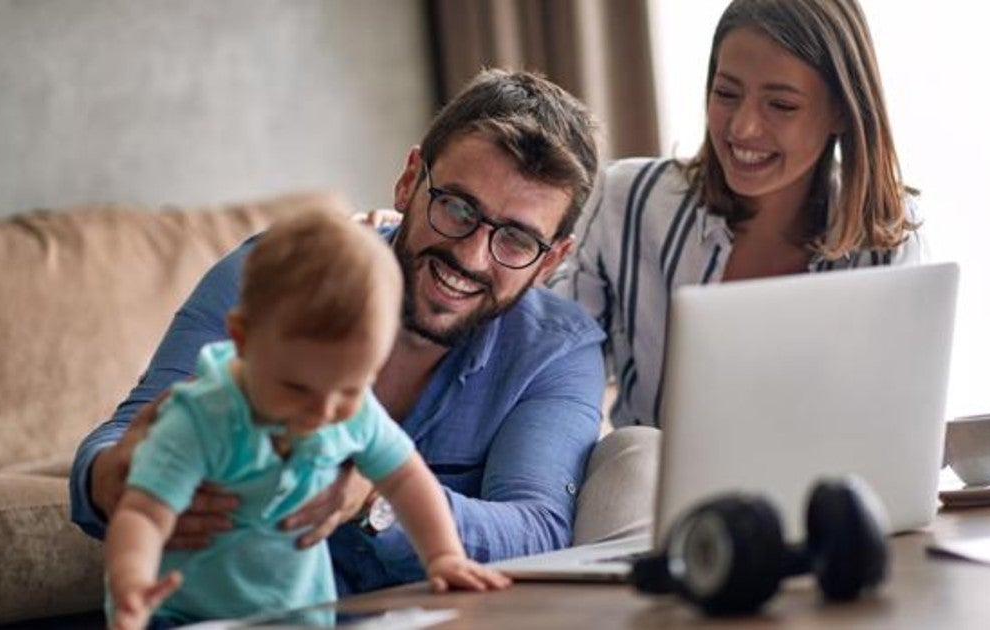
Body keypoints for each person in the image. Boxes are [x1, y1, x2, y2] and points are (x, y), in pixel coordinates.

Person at [71, 69, 607, 596]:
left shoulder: (556, 350)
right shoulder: (276, 276)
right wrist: (114, 480)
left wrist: (372, 502)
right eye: (457, 207)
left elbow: (540, 529)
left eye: (516, 240)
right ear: (410, 180)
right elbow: (122, 437)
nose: (469, 255)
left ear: (550, 261)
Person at [550, 0, 926, 544]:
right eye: (726, 94)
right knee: (634, 453)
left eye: (781, 103)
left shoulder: (889, 236)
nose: (744, 127)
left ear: (842, 111)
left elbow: (901, 435)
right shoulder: (626, 202)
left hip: (827, 525)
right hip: (659, 523)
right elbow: (555, 368)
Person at [104, 210, 509, 629]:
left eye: (351, 389)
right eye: (298, 389)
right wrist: (130, 580)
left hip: (301, 616)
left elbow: (406, 478)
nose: (323, 411)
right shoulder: (203, 415)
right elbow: (144, 513)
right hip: (181, 614)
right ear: (243, 339)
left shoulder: (353, 412)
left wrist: (443, 556)